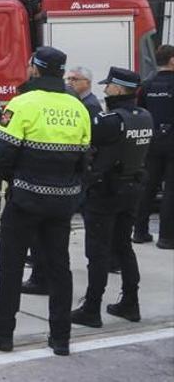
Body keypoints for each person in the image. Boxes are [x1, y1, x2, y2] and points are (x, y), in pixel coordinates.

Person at [0, 47, 91, 356]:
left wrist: (21, 180)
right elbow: (85, 160)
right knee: (59, 267)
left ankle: (3, 331)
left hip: (25, 198)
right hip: (62, 201)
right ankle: (60, 337)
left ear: (35, 69)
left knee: (10, 266)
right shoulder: (77, 107)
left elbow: (1, 156)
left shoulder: (22, 103)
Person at [72, 67, 152, 328]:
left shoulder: (111, 120)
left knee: (98, 253)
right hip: (132, 189)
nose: (105, 89)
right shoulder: (144, 116)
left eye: (109, 86)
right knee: (123, 246)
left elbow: (85, 142)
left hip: (106, 192)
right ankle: (131, 302)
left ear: (118, 89)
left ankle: (91, 308)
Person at [134, 44, 174, 248]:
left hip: (151, 142)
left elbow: (140, 111)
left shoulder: (147, 84)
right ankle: (167, 237)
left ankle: (140, 232)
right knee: (171, 191)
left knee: (147, 187)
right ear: (172, 60)